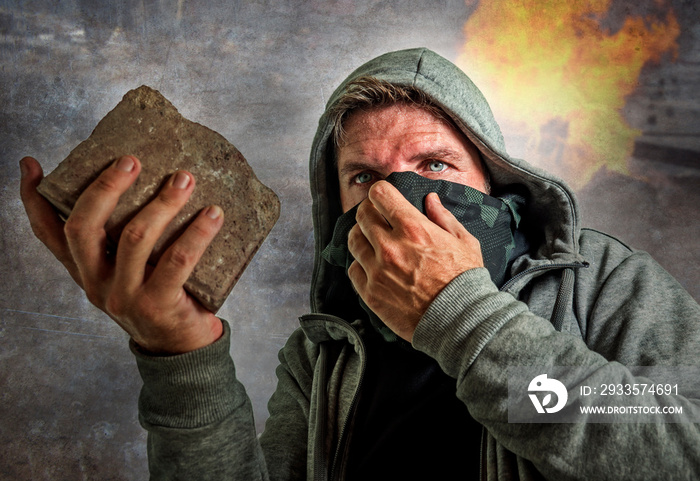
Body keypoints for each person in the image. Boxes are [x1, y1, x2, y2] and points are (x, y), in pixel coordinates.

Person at [19, 47, 700, 480]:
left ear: (495, 182)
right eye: (364, 178)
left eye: (435, 164)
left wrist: (462, 318)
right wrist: (178, 354)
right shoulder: (324, 352)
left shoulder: (606, 284)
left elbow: (682, 445)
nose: (397, 196)